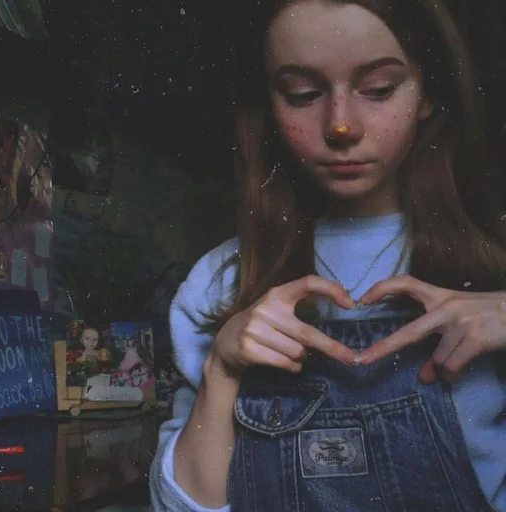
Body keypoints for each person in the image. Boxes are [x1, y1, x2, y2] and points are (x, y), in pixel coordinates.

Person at [150, 1, 506, 510]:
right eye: (303, 94)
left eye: (379, 89)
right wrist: (221, 371)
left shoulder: (496, 261)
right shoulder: (221, 279)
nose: (341, 126)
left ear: (428, 93)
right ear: (270, 104)